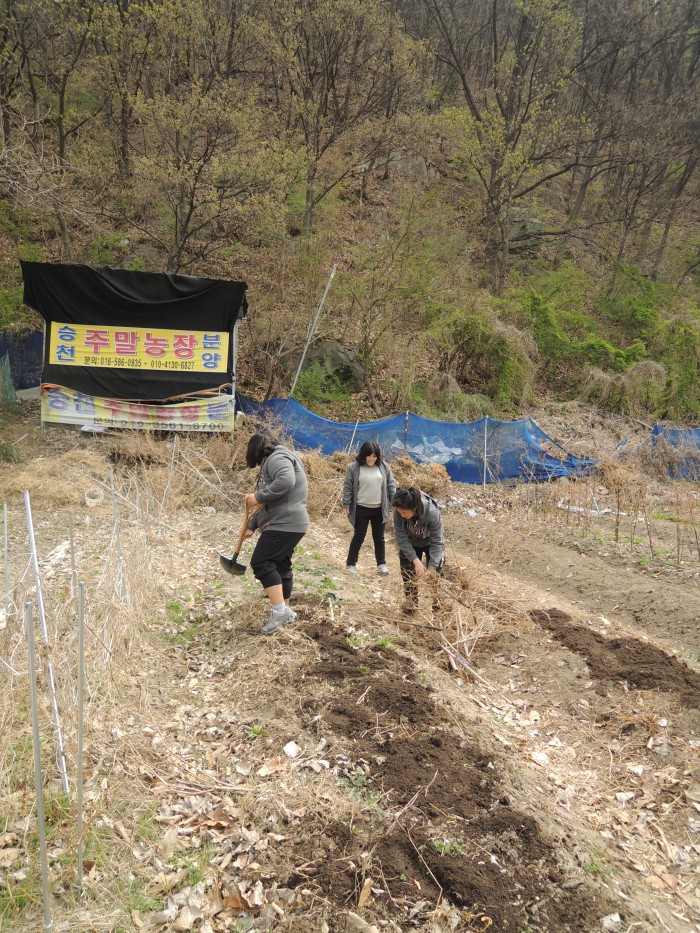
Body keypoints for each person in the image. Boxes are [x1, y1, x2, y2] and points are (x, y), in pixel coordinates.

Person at [242, 431, 309, 635]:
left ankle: (280, 611)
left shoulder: (277, 458)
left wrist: (259, 495)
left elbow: (286, 481)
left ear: (256, 451)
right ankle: (284, 611)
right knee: (280, 565)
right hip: (288, 521)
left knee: (261, 562)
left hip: (285, 522)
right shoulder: (275, 459)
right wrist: (252, 524)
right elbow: (270, 500)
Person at [342, 441, 396, 575]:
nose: (372, 459)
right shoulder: (354, 468)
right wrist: (346, 504)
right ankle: (351, 564)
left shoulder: (383, 467)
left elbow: (391, 485)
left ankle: (381, 564)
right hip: (361, 508)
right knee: (359, 536)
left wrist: (394, 502)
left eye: (374, 456)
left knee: (379, 538)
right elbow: (348, 487)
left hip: (379, 509)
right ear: (363, 455)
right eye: (369, 456)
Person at [392, 486, 445, 615]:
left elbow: (438, 542)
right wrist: (415, 560)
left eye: (404, 513)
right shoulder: (399, 510)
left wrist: (431, 569)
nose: (401, 515)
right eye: (399, 512)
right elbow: (401, 537)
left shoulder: (431, 511)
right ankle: (411, 608)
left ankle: (438, 611)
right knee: (408, 577)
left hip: (429, 543)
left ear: (414, 509)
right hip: (410, 543)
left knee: (435, 578)